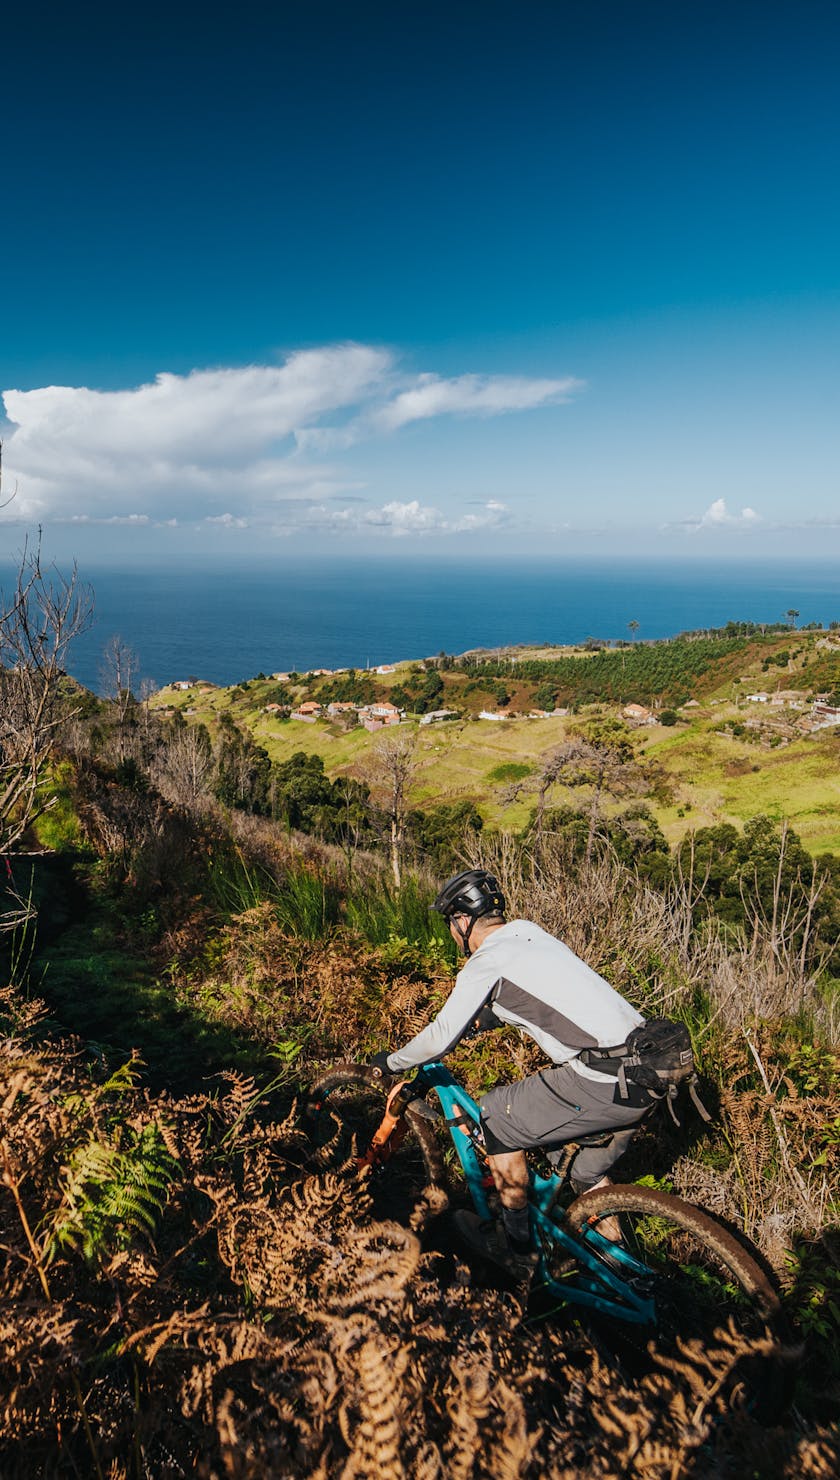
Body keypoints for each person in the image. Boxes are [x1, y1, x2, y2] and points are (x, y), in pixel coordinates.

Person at [370, 868, 658, 1274]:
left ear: (462, 920)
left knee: (495, 1116)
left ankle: (515, 1246)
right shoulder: (528, 932)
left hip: (603, 1079)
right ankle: (620, 1262)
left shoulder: (484, 961)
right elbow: (552, 992)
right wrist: (491, 1017)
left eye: (450, 924)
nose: (453, 934)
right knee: (582, 1168)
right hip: (651, 1067)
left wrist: (392, 1061)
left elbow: (438, 1038)